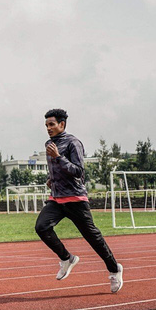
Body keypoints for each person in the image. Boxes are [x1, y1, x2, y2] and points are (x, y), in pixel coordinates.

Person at [35, 108, 123, 293]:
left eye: (51, 124)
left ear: (62, 124)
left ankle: (114, 269)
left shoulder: (73, 143)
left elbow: (78, 171)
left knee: (93, 238)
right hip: (57, 198)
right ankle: (67, 258)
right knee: (41, 227)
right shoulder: (49, 143)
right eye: (46, 125)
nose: (48, 128)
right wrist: (52, 179)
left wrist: (58, 157)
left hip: (75, 199)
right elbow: (58, 169)